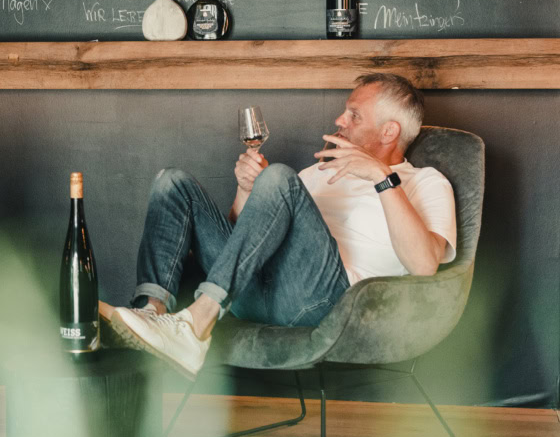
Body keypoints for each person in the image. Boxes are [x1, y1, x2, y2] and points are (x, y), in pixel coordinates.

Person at [105, 73, 457, 380]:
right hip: (248, 290)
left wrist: (382, 178)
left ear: (389, 130)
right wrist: (245, 192)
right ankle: (154, 314)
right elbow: (242, 243)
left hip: (325, 302)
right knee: (173, 182)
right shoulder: (315, 173)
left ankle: (195, 324)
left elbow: (424, 265)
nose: (340, 118)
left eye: (353, 114)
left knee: (277, 177)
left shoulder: (425, 182)